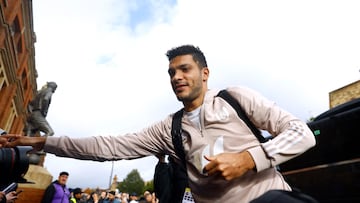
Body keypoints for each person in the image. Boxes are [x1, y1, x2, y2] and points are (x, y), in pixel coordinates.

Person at [0, 45, 316, 202]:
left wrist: (249, 158)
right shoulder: (168, 129)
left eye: (185, 69)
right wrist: (41, 142)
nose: (177, 77)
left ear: (204, 73)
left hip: (269, 198)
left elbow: (301, 133)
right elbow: (108, 147)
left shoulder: (235, 98)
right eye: (171, 72)